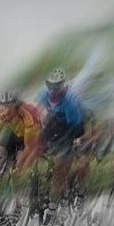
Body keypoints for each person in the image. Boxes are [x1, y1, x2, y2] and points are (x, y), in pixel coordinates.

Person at [37, 68, 88, 217]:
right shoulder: (43, 95)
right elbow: (41, 117)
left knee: (61, 164)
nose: (53, 90)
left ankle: (54, 205)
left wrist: (62, 145)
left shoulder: (70, 101)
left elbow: (75, 128)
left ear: (63, 86)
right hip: (54, 124)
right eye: (50, 86)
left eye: (57, 86)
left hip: (73, 128)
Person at [0, 90, 43, 178]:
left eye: (9, 108)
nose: (6, 111)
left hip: (30, 134)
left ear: (16, 106)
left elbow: (28, 147)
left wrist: (19, 168)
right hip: (15, 132)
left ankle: (19, 180)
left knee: (20, 161)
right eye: (4, 107)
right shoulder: (1, 112)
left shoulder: (27, 116)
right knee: (1, 151)